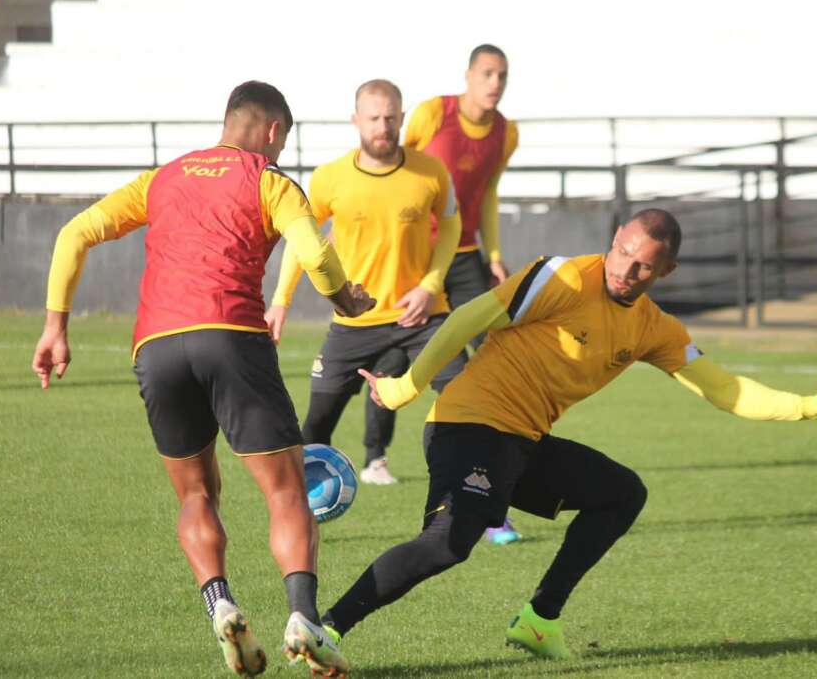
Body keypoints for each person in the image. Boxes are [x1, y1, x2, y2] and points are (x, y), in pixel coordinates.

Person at [314, 208, 817, 666]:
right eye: (623, 253)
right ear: (614, 241)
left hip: (521, 441)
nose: (626, 270)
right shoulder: (563, 276)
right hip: (469, 424)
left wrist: (811, 406)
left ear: (664, 271)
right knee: (447, 544)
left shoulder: (653, 327)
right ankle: (328, 629)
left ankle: (539, 619)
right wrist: (407, 388)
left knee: (622, 493)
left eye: (644, 265)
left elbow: (724, 389)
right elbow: (465, 320)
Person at [31, 81, 372, 678]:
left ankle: (221, 606)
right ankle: (304, 619)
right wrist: (344, 299)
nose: (282, 152)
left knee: (195, 493)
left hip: (156, 346)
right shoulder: (270, 181)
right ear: (271, 132)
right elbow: (315, 255)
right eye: (283, 141)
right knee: (286, 489)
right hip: (231, 336)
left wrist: (56, 327)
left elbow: (73, 234)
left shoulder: (162, 178)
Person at [357, 44, 524, 540]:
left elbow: (488, 193)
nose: (495, 83)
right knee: (391, 355)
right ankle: (374, 456)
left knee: (483, 366)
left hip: (466, 256)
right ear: (469, 76)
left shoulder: (506, 133)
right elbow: (396, 169)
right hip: (417, 254)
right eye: (487, 73)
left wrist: (494, 253)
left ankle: (485, 490)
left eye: (503, 75)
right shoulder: (434, 113)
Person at [265, 79, 463, 487]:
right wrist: (280, 300)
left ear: (402, 118)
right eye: (373, 118)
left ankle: (492, 510)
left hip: (422, 318)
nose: (382, 126)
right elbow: (300, 239)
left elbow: (450, 225)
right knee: (316, 424)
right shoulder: (329, 178)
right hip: (354, 323)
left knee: (472, 401)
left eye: (391, 118)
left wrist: (430, 284)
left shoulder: (430, 172)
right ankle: (301, 510)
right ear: (356, 120)